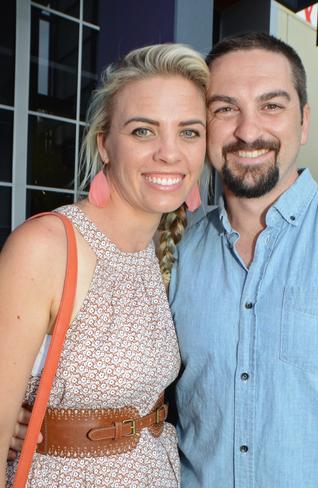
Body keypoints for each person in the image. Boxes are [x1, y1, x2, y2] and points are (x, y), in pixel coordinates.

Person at [0, 43, 208, 487]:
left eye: (189, 132)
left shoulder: (161, 249)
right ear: (105, 145)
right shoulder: (47, 246)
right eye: (143, 132)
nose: (170, 154)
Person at [169, 32, 318, 487]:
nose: (247, 130)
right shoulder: (175, 252)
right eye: (225, 108)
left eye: (271, 106)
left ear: (304, 122)